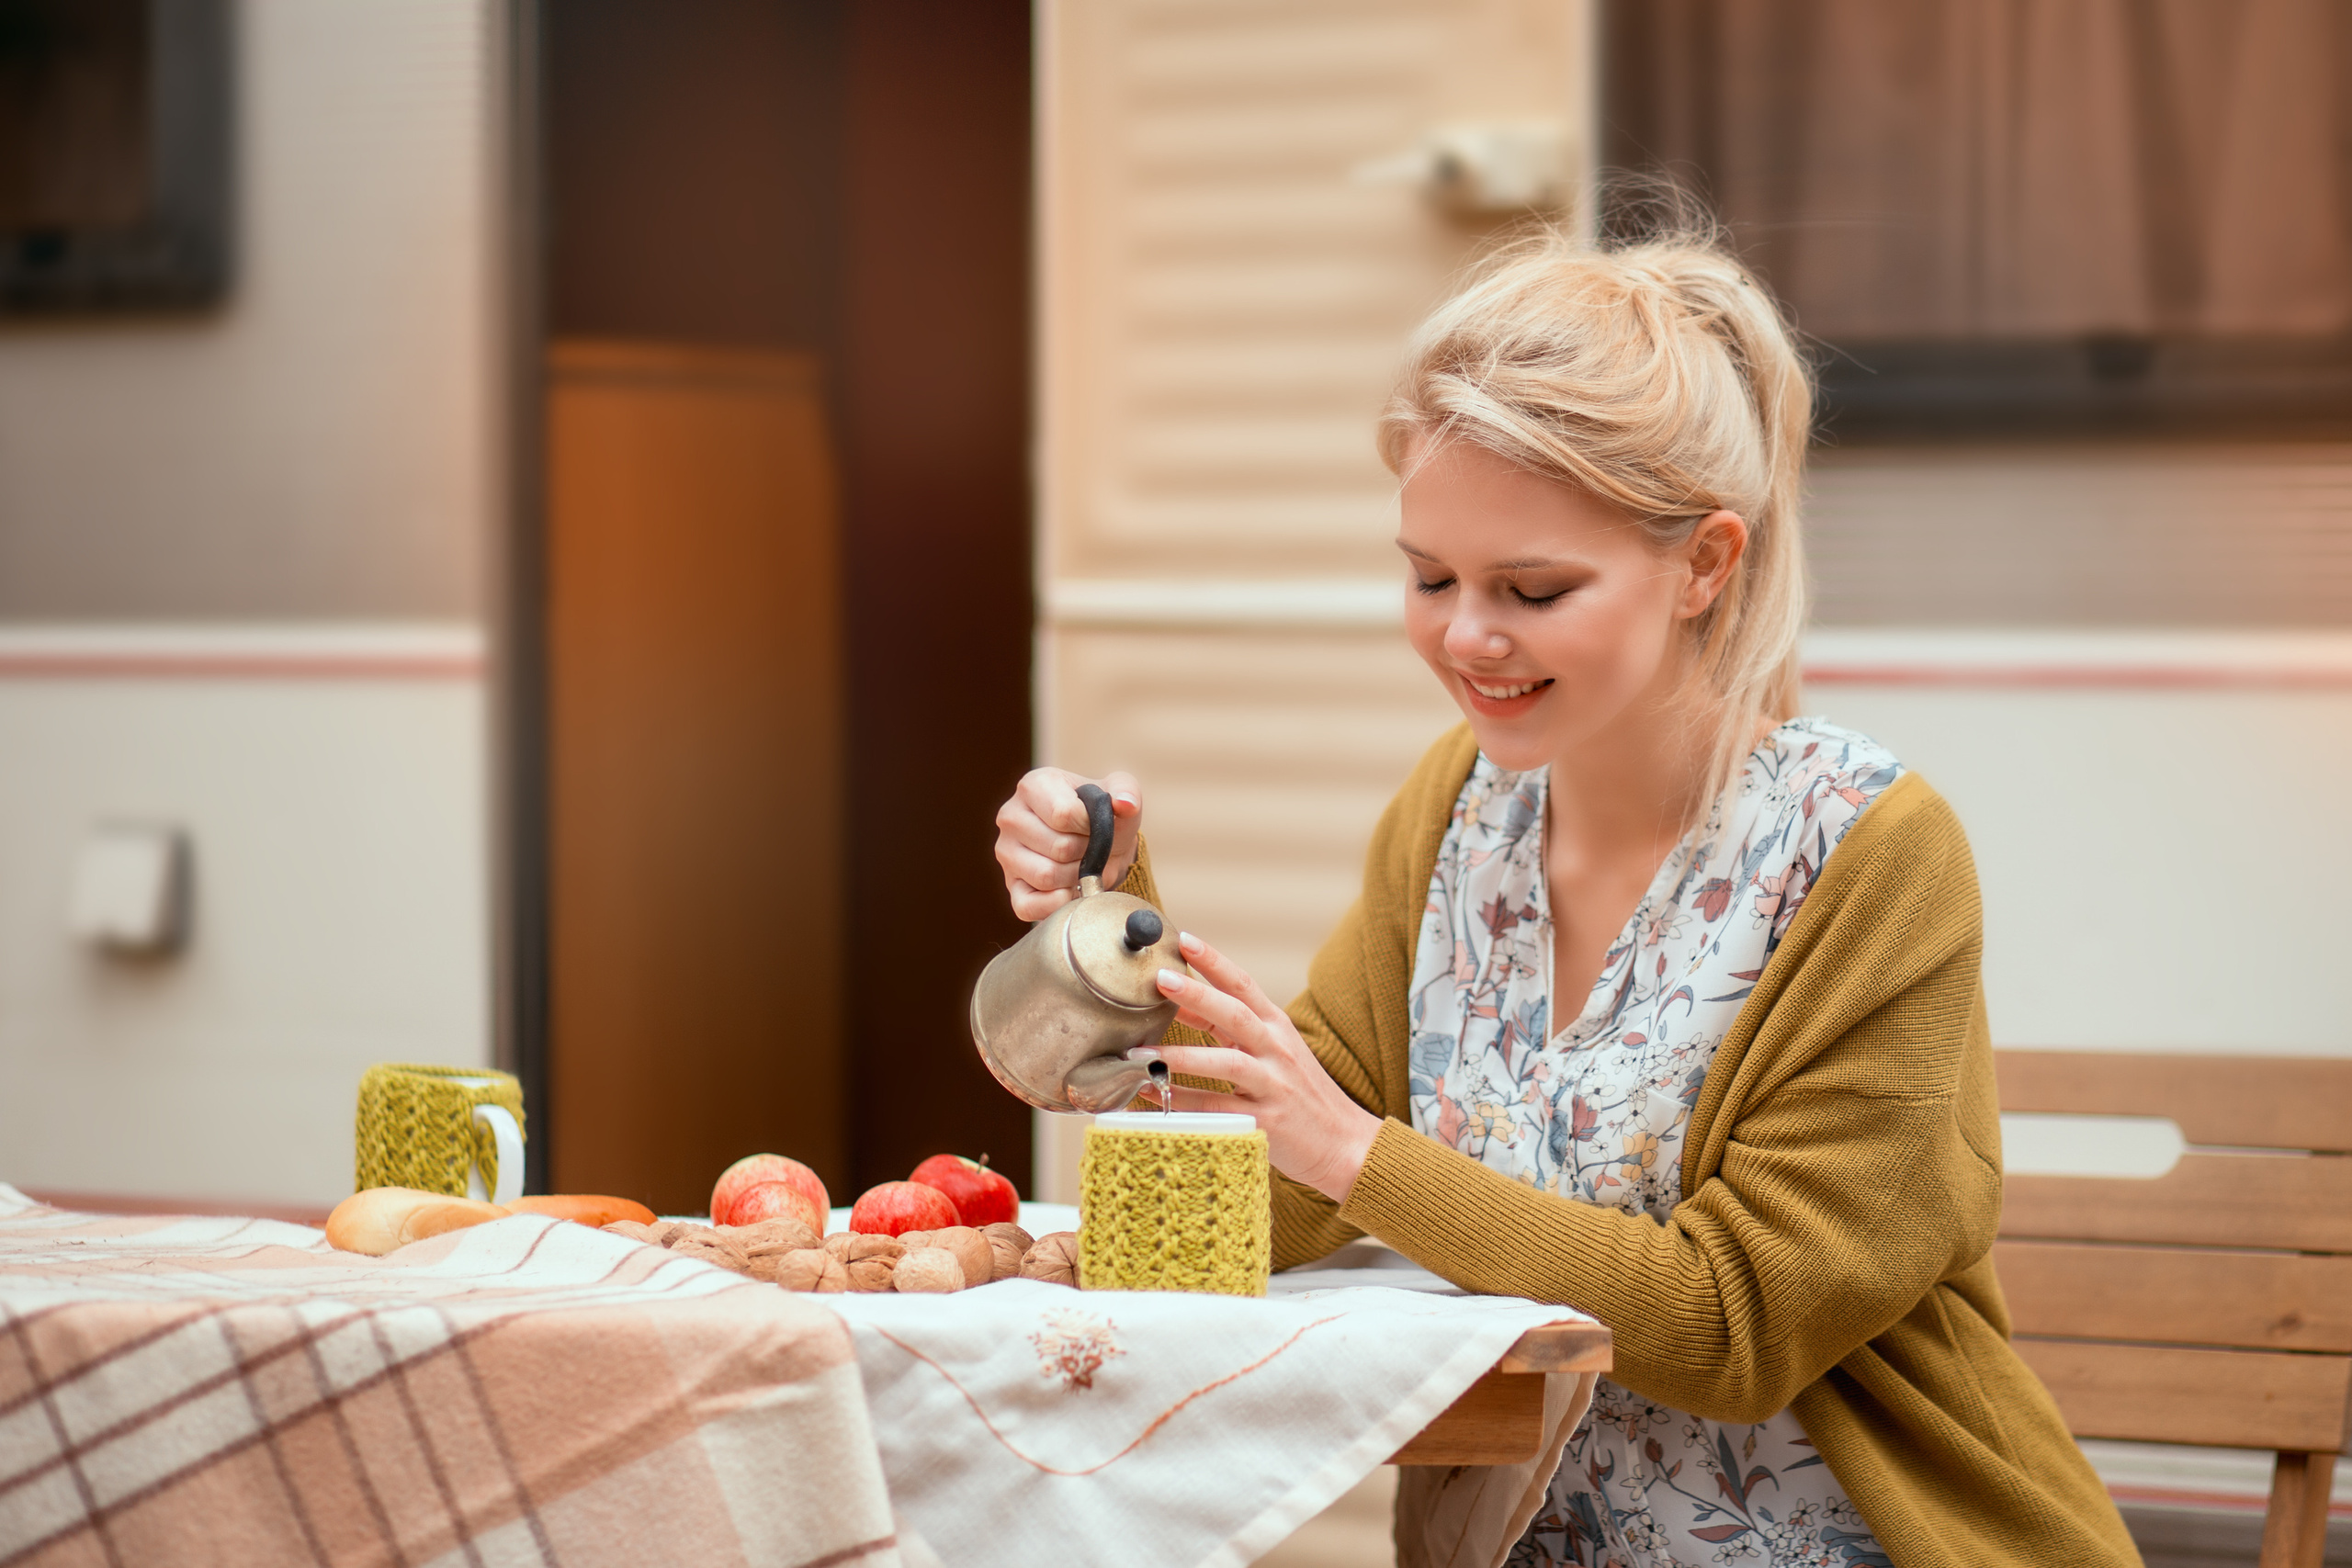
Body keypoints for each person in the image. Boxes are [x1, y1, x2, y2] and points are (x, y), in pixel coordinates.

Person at [992, 219, 2139, 1568]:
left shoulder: (1867, 858)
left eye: (1532, 589)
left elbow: (1735, 1322)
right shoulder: (1456, 815)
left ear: (1705, 564)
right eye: (1429, 578)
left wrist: (1358, 1152)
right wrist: (1116, 925)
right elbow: (1280, 1201)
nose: (1466, 636)